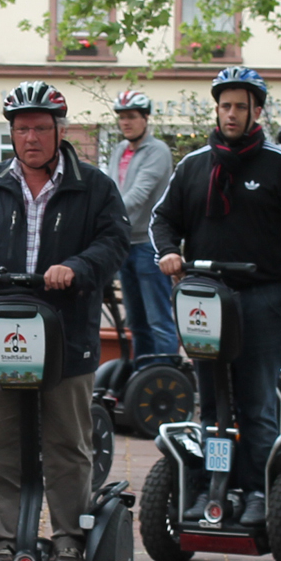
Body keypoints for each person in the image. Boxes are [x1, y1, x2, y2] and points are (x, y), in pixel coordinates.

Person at [0, 81, 130, 561]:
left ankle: (68, 537)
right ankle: (4, 539)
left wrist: (78, 267)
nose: (31, 138)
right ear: (12, 133)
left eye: (41, 128)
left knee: (67, 443)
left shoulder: (93, 186)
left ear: (58, 131)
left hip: (66, 335)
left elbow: (114, 242)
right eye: (22, 129)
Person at [151, 68, 281, 526]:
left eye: (240, 107)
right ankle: (211, 485)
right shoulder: (196, 165)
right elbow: (162, 219)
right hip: (206, 299)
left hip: (261, 298)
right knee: (211, 400)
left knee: (256, 402)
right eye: (225, 105)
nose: (231, 114)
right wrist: (168, 251)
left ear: (256, 112)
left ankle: (256, 490)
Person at [105, 90, 178, 359]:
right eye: (122, 117)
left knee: (158, 319)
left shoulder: (157, 151)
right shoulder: (120, 150)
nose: (126, 122)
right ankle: (143, 376)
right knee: (136, 321)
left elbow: (137, 196)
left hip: (149, 246)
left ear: (145, 118)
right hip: (126, 244)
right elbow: (111, 189)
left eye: (132, 117)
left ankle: (168, 376)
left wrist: (104, 218)